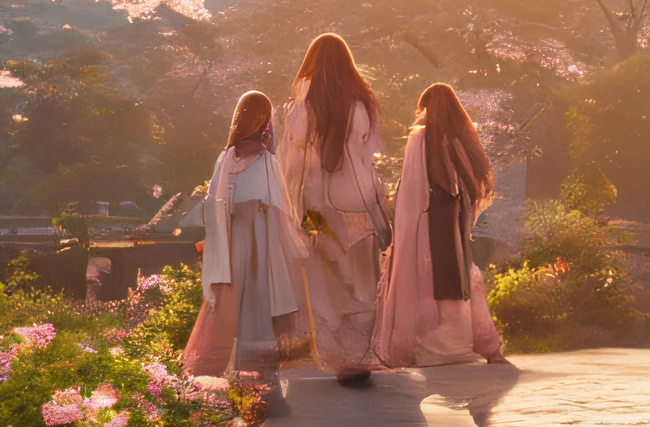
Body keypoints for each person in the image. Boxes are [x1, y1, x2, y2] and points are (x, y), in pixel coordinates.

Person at [277, 34, 392, 383]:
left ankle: (335, 354)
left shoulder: (305, 104)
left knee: (323, 278)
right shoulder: (362, 103)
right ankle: (360, 355)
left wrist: (289, 203)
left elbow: (294, 160)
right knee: (363, 279)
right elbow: (367, 155)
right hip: (358, 200)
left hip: (316, 204)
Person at [377, 82, 510, 367]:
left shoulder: (420, 138)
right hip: (449, 217)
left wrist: (407, 226)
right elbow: (468, 183)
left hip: (424, 221)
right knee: (452, 276)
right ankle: (466, 342)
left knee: (426, 278)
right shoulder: (457, 137)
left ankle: (431, 343)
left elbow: (411, 189)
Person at [182, 91, 310, 378]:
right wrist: (295, 245)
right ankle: (256, 371)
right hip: (259, 235)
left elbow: (214, 203)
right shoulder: (265, 160)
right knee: (258, 299)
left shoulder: (225, 157)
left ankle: (212, 367)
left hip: (231, 237)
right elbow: (278, 205)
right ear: (264, 121)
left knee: (228, 299)